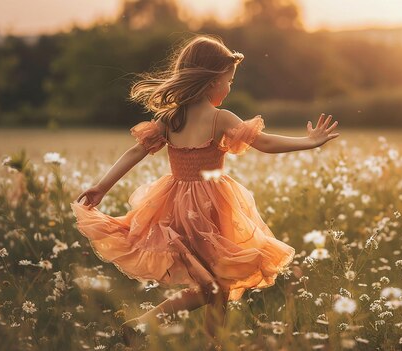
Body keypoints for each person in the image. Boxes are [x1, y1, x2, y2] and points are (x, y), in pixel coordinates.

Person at [69, 34, 340, 349]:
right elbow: (263, 142)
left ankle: (211, 342)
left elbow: (134, 152)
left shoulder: (172, 118)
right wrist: (308, 142)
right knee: (213, 287)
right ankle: (144, 326)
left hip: (175, 205)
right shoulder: (219, 118)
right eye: (228, 81)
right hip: (208, 209)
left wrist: (102, 186)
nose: (229, 88)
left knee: (217, 287)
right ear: (211, 81)